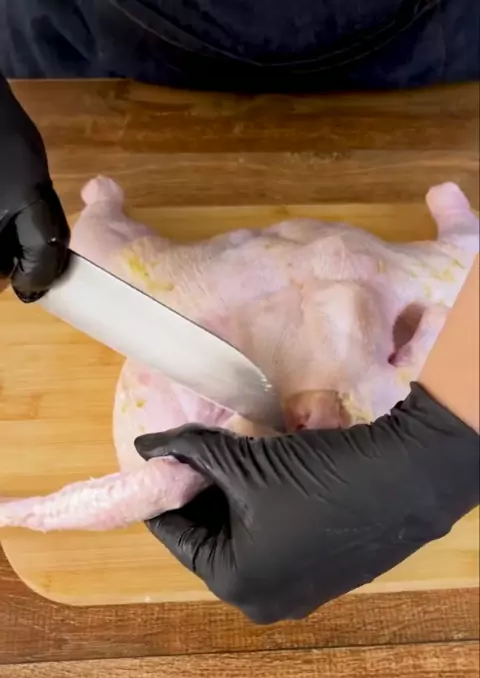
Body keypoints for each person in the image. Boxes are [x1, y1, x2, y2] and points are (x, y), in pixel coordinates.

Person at [0, 2, 478, 624]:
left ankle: (106, 212)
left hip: (419, 34)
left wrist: (446, 449)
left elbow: (159, 482)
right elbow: (439, 323)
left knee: (94, 249)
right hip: (102, 32)